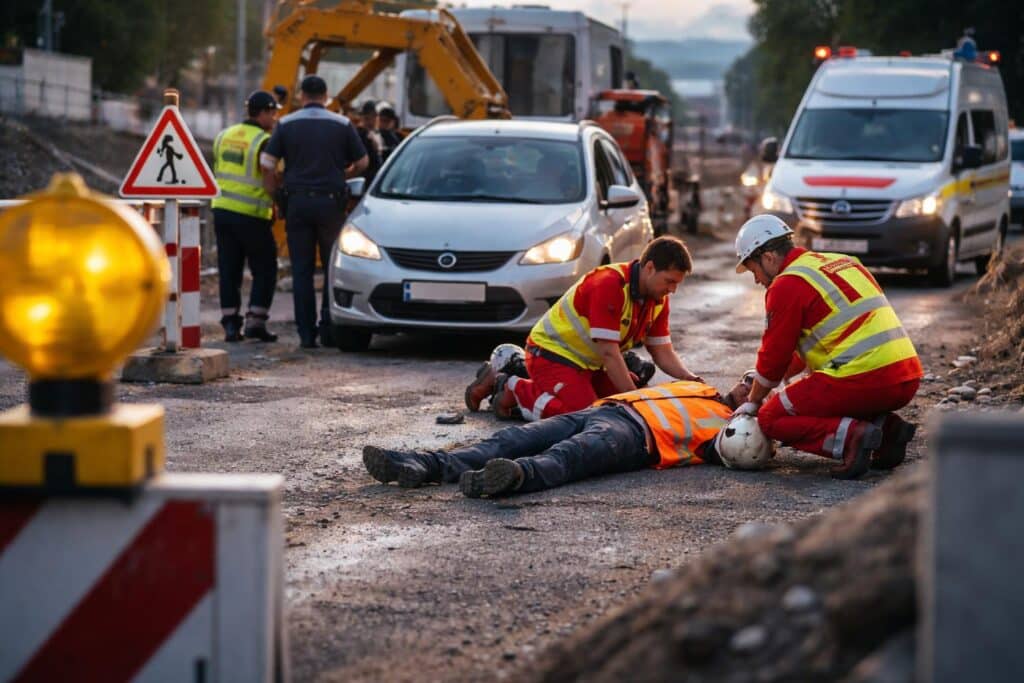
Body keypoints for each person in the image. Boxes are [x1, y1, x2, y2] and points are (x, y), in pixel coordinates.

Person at [732, 214, 922, 479]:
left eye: (753, 270)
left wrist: (753, 402)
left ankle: (851, 440)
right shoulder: (844, 262)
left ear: (768, 257)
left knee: (771, 417)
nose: (757, 280)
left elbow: (773, 359)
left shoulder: (786, 284)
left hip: (866, 379)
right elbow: (809, 347)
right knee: (812, 393)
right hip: (906, 377)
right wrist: (779, 379)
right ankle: (887, 430)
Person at [364, 377, 756, 498]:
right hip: (602, 409)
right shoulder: (699, 387)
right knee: (510, 439)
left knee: (569, 456)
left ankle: (512, 477)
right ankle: (422, 464)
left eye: (754, 389)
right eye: (745, 381)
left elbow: (741, 454)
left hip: (634, 436)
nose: (744, 388)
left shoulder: (732, 429)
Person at [465, 236, 703, 421]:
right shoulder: (609, 284)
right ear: (649, 268)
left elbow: (662, 351)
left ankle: (518, 380)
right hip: (551, 356)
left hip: (588, 364)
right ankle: (511, 387)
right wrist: (635, 401)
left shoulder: (657, 297)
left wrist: (689, 377)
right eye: (670, 281)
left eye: (677, 283)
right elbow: (610, 352)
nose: (673, 290)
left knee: (616, 406)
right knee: (589, 416)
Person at [260, 74, 368, 348]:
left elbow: (267, 164)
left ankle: (306, 335)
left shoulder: (285, 124)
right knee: (332, 269)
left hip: (297, 203)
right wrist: (345, 174)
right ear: (326, 95)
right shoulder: (342, 124)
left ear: (302, 96)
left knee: (302, 271)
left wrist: (276, 194)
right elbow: (363, 161)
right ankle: (329, 328)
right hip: (331, 204)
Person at [211, 90, 281, 342]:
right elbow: (268, 176)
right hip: (251, 215)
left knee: (229, 270)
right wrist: (278, 201)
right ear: (262, 113)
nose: (274, 118)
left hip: (221, 212)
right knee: (265, 268)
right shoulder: (264, 140)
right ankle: (255, 322)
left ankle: (230, 324)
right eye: (272, 113)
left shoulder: (224, 136)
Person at [354, 100, 383, 184]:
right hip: (363, 180)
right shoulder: (357, 134)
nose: (370, 122)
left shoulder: (380, 134)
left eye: (373, 117)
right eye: (367, 118)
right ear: (361, 118)